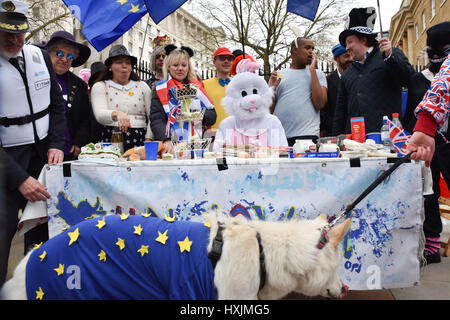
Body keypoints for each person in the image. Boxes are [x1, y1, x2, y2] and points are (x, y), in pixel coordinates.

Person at [0, 0, 65, 286]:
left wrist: (57, 144)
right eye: (6, 34)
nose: (15, 40)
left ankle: (37, 288)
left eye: (19, 33)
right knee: (3, 236)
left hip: (43, 156)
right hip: (7, 162)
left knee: (43, 234)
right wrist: (19, 179)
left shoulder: (39, 55)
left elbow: (56, 106)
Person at [402, 22, 450, 264]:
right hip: (430, 143)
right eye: (431, 49)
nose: (435, 55)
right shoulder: (420, 79)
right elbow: (439, 90)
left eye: (443, 49)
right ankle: (431, 244)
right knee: (429, 193)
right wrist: (422, 127)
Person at [332, 7, 415, 136]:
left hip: (386, 138)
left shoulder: (389, 56)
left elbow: (409, 79)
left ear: (363, 39)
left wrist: (390, 58)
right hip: (355, 141)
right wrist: (336, 138)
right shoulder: (347, 74)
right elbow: (340, 111)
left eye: (349, 42)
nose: (347, 48)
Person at [150, 45, 217, 154]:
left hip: (197, 146)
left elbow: (212, 114)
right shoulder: (160, 88)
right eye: (175, 65)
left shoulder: (197, 88)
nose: (180, 68)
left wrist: (202, 117)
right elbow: (157, 119)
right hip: (172, 147)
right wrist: (166, 139)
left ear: (188, 68)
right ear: (168, 67)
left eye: (184, 65)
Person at [90, 45, 153, 151]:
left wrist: (149, 138)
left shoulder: (142, 86)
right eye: (119, 62)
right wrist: (116, 114)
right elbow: (99, 114)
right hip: (111, 138)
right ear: (110, 66)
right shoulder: (101, 86)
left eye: (128, 63)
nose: (124, 66)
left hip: (140, 139)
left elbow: (152, 116)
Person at [42, 31, 92, 161]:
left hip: (69, 150)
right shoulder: (38, 78)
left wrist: (79, 142)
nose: (64, 59)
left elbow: (85, 117)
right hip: (41, 150)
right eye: (59, 53)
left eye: (69, 56)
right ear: (49, 53)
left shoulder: (79, 85)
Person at [268, 37, 328, 146]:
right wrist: (270, 89)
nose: (311, 51)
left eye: (312, 48)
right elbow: (268, 110)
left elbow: (320, 103)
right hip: (281, 136)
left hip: (308, 135)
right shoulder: (279, 75)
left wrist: (312, 71)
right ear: (295, 50)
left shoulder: (318, 74)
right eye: (307, 48)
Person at [320, 44, 352, 137]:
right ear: (336, 59)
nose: (350, 59)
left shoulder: (359, 78)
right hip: (335, 134)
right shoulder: (327, 81)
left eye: (351, 55)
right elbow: (323, 111)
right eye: (346, 56)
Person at [203, 47, 234, 130]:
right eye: (222, 58)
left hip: (236, 135)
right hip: (212, 136)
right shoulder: (203, 85)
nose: (226, 61)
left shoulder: (238, 84)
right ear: (214, 62)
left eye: (229, 59)